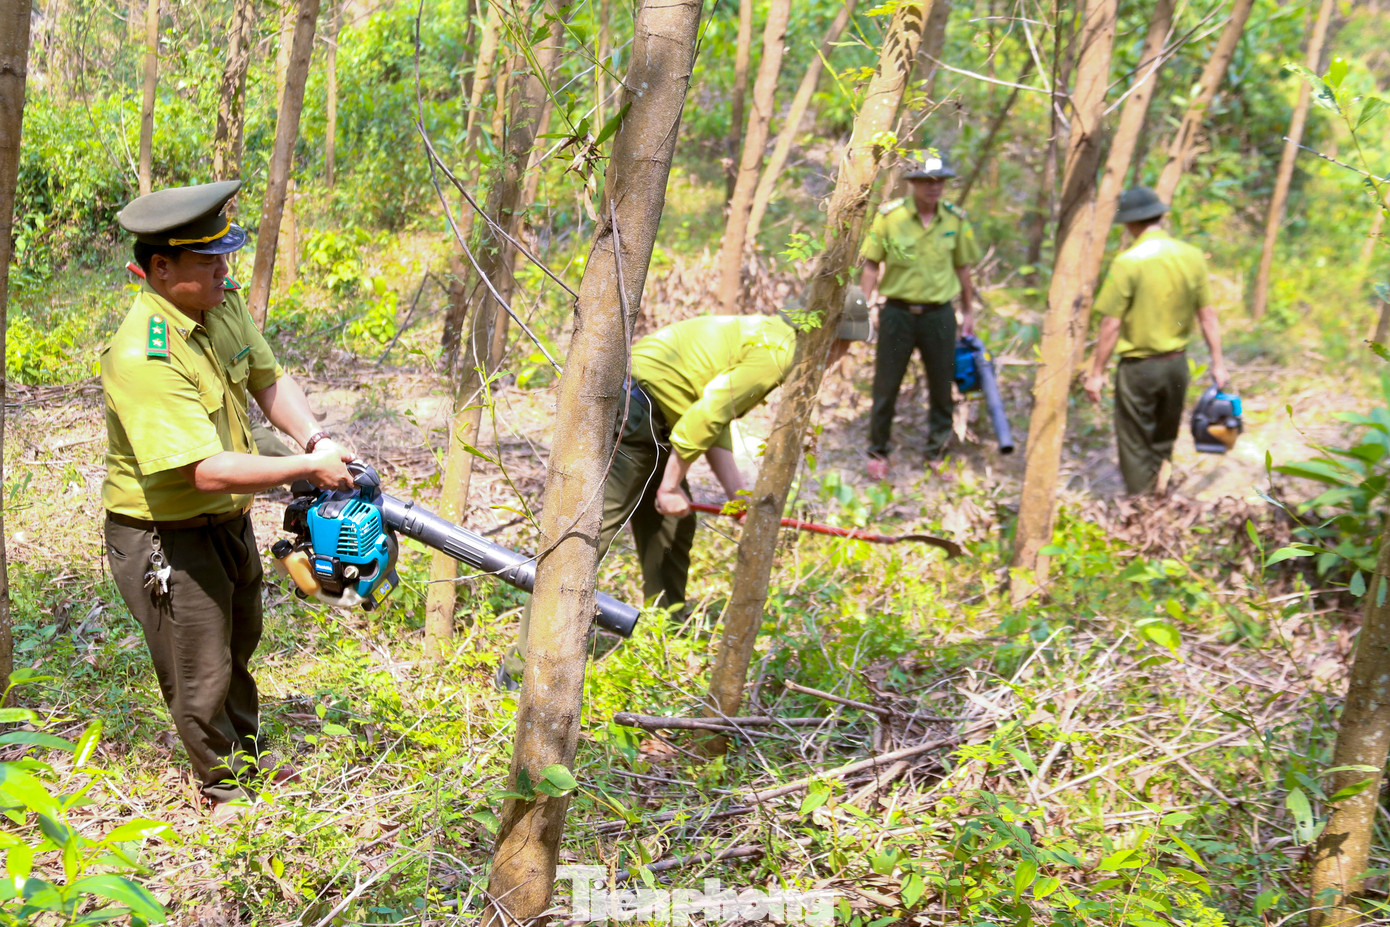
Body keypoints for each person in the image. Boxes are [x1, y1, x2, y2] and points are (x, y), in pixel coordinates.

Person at [102, 180, 355, 823]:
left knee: (239, 643)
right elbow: (204, 470)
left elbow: (268, 378)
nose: (224, 269)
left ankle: (246, 757)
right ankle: (223, 790)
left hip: (228, 519)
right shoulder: (142, 352)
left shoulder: (219, 302)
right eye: (208, 259)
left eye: (225, 255)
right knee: (201, 667)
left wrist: (315, 439)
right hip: (166, 533)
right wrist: (304, 468)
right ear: (161, 269)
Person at [499, 288, 872, 689]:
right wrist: (670, 486)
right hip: (636, 406)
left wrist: (737, 497)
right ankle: (522, 668)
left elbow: (715, 419)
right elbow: (706, 417)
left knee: (674, 528)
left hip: (653, 411)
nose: (842, 356)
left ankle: (666, 634)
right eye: (845, 344)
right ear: (828, 332)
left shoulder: (771, 336)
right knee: (586, 539)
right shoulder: (779, 353)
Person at [1084, 186, 1230, 495]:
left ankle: (1141, 506)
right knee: (1165, 436)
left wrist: (1096, 372)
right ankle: (1160, 494)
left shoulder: (1127, 262)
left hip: (1138, 369)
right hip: (1176, 364)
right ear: (1159, 216)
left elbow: (1111, 323)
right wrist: (1218, 363)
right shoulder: (1191, 256)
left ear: (1130, 223)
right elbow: (1207, 314)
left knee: (1135, 441)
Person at [860, 150, 982, 480]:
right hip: (897, 314)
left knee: (942, 385)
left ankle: (936, 452)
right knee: (886, 384)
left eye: (939, 181)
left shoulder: (955, 219)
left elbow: (963, 268)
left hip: (938, 316)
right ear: (912, 183)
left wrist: (968, 311)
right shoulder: (890, 217)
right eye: (926, 181)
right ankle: (878, 451)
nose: (934, 187)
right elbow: (871, 264)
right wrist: (862, 307)